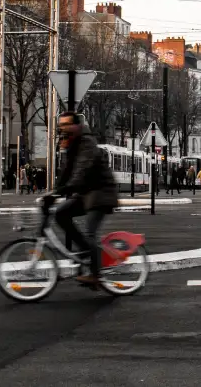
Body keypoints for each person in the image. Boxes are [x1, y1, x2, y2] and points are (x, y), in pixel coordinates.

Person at [50, 112, 118, 290]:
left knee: (90, 233)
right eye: (61, 124)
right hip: (86, 193)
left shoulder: (87, 143)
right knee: (61, 213)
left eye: (66, 124)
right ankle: (85, 251)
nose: (62, 128)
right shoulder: (71, 143)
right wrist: (54, 192)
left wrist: (63, 190)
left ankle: (95, 274)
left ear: (76, 126)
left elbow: (81, 170)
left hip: (101, 192)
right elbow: (66, 170)